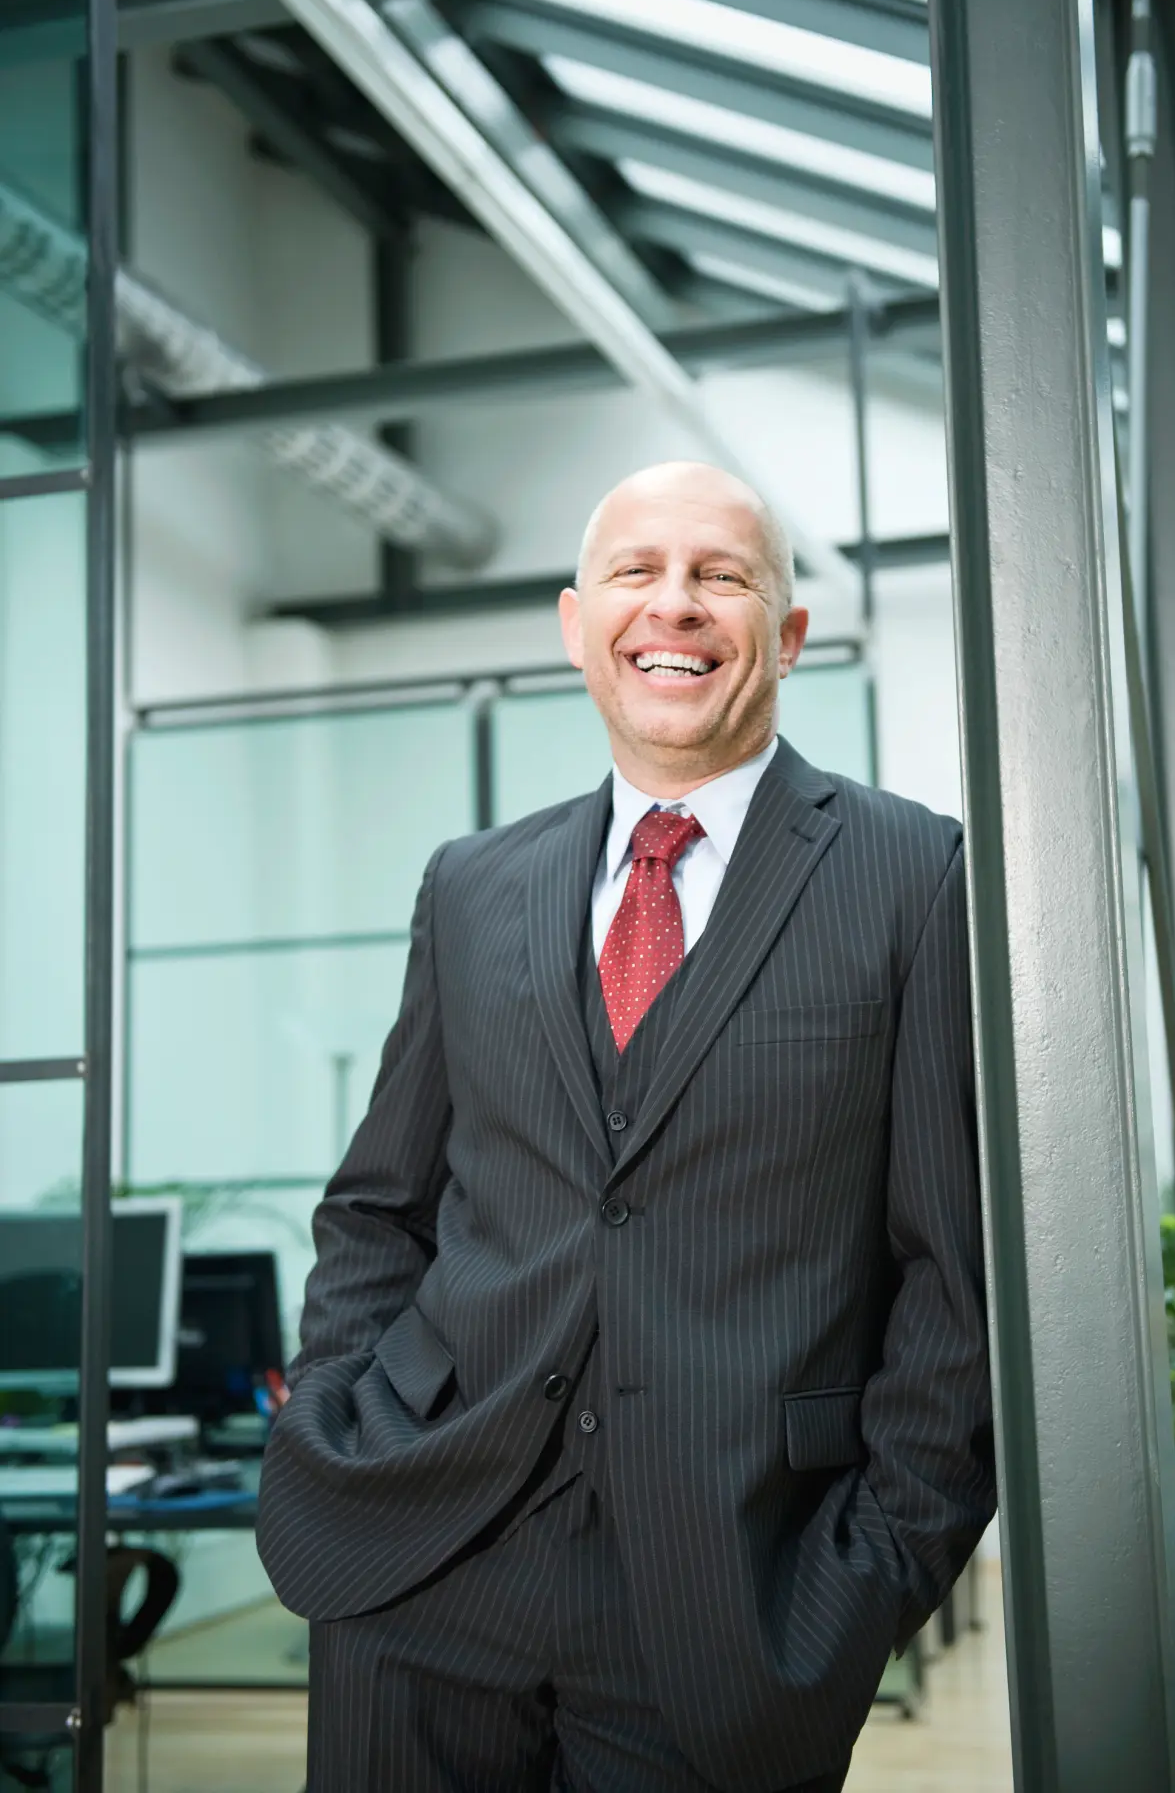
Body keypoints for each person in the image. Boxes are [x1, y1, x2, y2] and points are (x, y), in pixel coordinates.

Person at [257, 460, 995, 1793]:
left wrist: (874, 1570)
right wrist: (337, 1412)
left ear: (788, 633)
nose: (677, 606)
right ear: (574, 622)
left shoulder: (915, 874)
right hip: (421, 1557)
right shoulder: (475, 884)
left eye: (721, 576)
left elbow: (957, 1272)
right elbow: (382, 1204)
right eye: (636, 573)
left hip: (731, 1596)